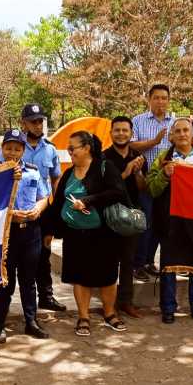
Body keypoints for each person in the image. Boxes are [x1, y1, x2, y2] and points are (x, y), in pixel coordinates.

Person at [42, 131, 128, 337]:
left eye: (72, 148)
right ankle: (84, 316)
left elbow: (118, 192)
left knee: (107, 275)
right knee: (79, 276)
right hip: (75, 235)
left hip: (103, 234)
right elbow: (58, 204)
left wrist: (88, 200)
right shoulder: (69, 174)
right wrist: (50, 231)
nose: (69, 152)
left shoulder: (104, 167)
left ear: (86, 148)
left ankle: (109, 314)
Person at [146, 118, 193, 324]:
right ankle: (168, 309)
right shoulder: (163, 158)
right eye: (177, 131)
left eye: (186, 130)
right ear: (171, 136)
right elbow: (151, 188)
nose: (182, 134)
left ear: (192, 134)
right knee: (169, 266)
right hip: (171, 221)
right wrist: (165, 175)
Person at [0, 129, 51, 343]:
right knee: (4, 282)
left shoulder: (33, 171)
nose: (12, 152)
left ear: (23, 150)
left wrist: (38, 208)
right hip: (7, 234)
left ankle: (31, 322)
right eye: (9, 148)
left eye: (17, 148)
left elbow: (45, 196)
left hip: (31, 232)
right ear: (2, 148)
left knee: (29, 280)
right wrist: (10, 214)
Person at [19, 103, 66, 313]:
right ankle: (19, 299)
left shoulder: (50, 148)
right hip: (20, 211)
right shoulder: (14, 146)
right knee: (19, 256)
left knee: (43, 255)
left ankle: (46, 296)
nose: (38, 126)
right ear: (24, 123)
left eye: (40, 121)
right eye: (33, 122)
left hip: (44, 208)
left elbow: (56, 179)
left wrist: (55, 207)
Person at [102, 116, 147, 318]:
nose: (121, 134)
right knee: (109, 260)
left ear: (131, 133)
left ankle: (126, 302)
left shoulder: (138, 156)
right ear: (111, 133)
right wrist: (127, 171)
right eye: (117, 130)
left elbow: (143, 188)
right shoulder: (102, 158)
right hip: (109, 216)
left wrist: (137, 173)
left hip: (131, 216)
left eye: (125, 130)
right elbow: (102, 188)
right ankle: (108, 305)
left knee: (129, 260)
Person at [130, 84, 175, 281]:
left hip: (165, 181)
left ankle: (149, 261)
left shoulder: (174, 122)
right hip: (145, 180)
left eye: (164, 98)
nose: (161, 102)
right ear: (149, 99)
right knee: (145, 222)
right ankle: (137, 264)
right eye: (156, 98)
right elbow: (131, 144)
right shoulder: (138, 121)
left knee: (159, 223)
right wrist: (154, 142)